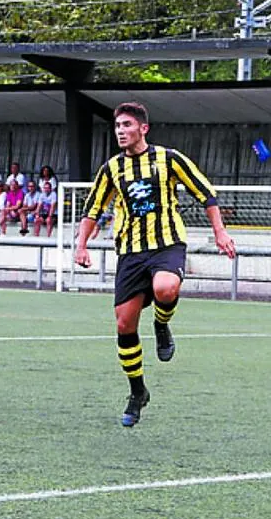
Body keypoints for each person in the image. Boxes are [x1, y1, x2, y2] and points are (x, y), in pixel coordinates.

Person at [75, 102, 236, 427]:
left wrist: (220, 232)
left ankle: (162, 325)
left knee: (165, 288)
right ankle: (137, 392)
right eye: (117, 125)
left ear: (143, 128)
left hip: (167, 244)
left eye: (127, 125)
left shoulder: (169, 159)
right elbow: (92, 210)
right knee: (124, 325)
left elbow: (206, 193)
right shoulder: (111, 169)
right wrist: (81, 245)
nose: (120, 131)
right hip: (131, 252)